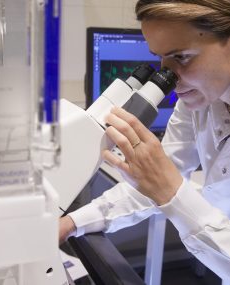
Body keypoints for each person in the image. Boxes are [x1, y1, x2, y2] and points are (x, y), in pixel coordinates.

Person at [59, 0, 230, 280]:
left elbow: (164, 184)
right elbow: (153, 181)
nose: (169, 77)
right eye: (161, 59)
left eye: (182, 57)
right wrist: (71, 222)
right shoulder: (200, 103)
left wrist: (171, 194)